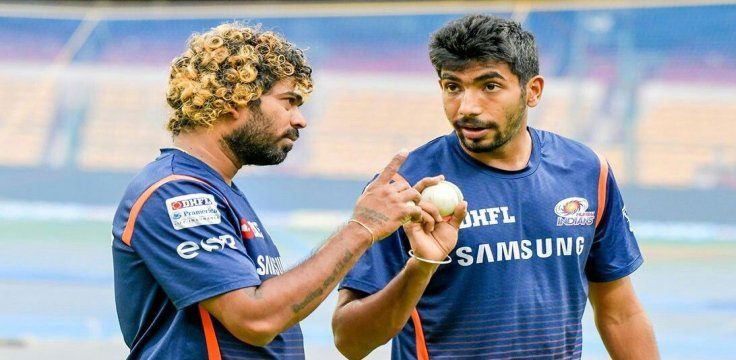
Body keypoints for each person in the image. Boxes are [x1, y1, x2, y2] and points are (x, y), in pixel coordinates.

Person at [111, 22, 465, 359]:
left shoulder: (217, 189)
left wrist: (414, 255)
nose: (300, 119)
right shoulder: (176, 193)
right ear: (235, 98)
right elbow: (255, 319)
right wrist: (363, 227)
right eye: (288, 102)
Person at [332, 14, 659, 360]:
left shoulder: (588, 172)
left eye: (489, 86)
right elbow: (351, 342)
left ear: (532, 91)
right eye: (452, 86)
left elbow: (621, 314)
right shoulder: (404, 187)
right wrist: (422, 265)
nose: (467, 107)